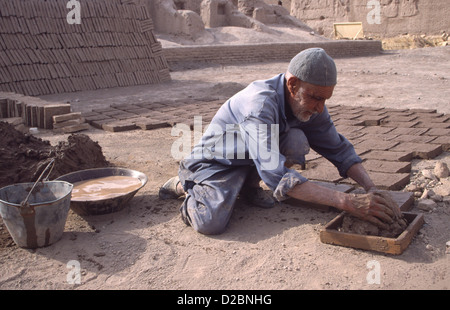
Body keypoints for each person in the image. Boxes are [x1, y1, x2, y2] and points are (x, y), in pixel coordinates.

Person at [159, 48, 401, 235]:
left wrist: (371, 188)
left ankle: (247, 186)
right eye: (316, 98)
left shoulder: (311, 103)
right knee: (210, 223)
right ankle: (185, 184)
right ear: (293, 84)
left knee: (296, 139)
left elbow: (337, 148)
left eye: (325, 99)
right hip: (216, 163)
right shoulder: (259, 104)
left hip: (250, 159)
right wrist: (347, 202)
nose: (320, 108)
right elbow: (276, 175)